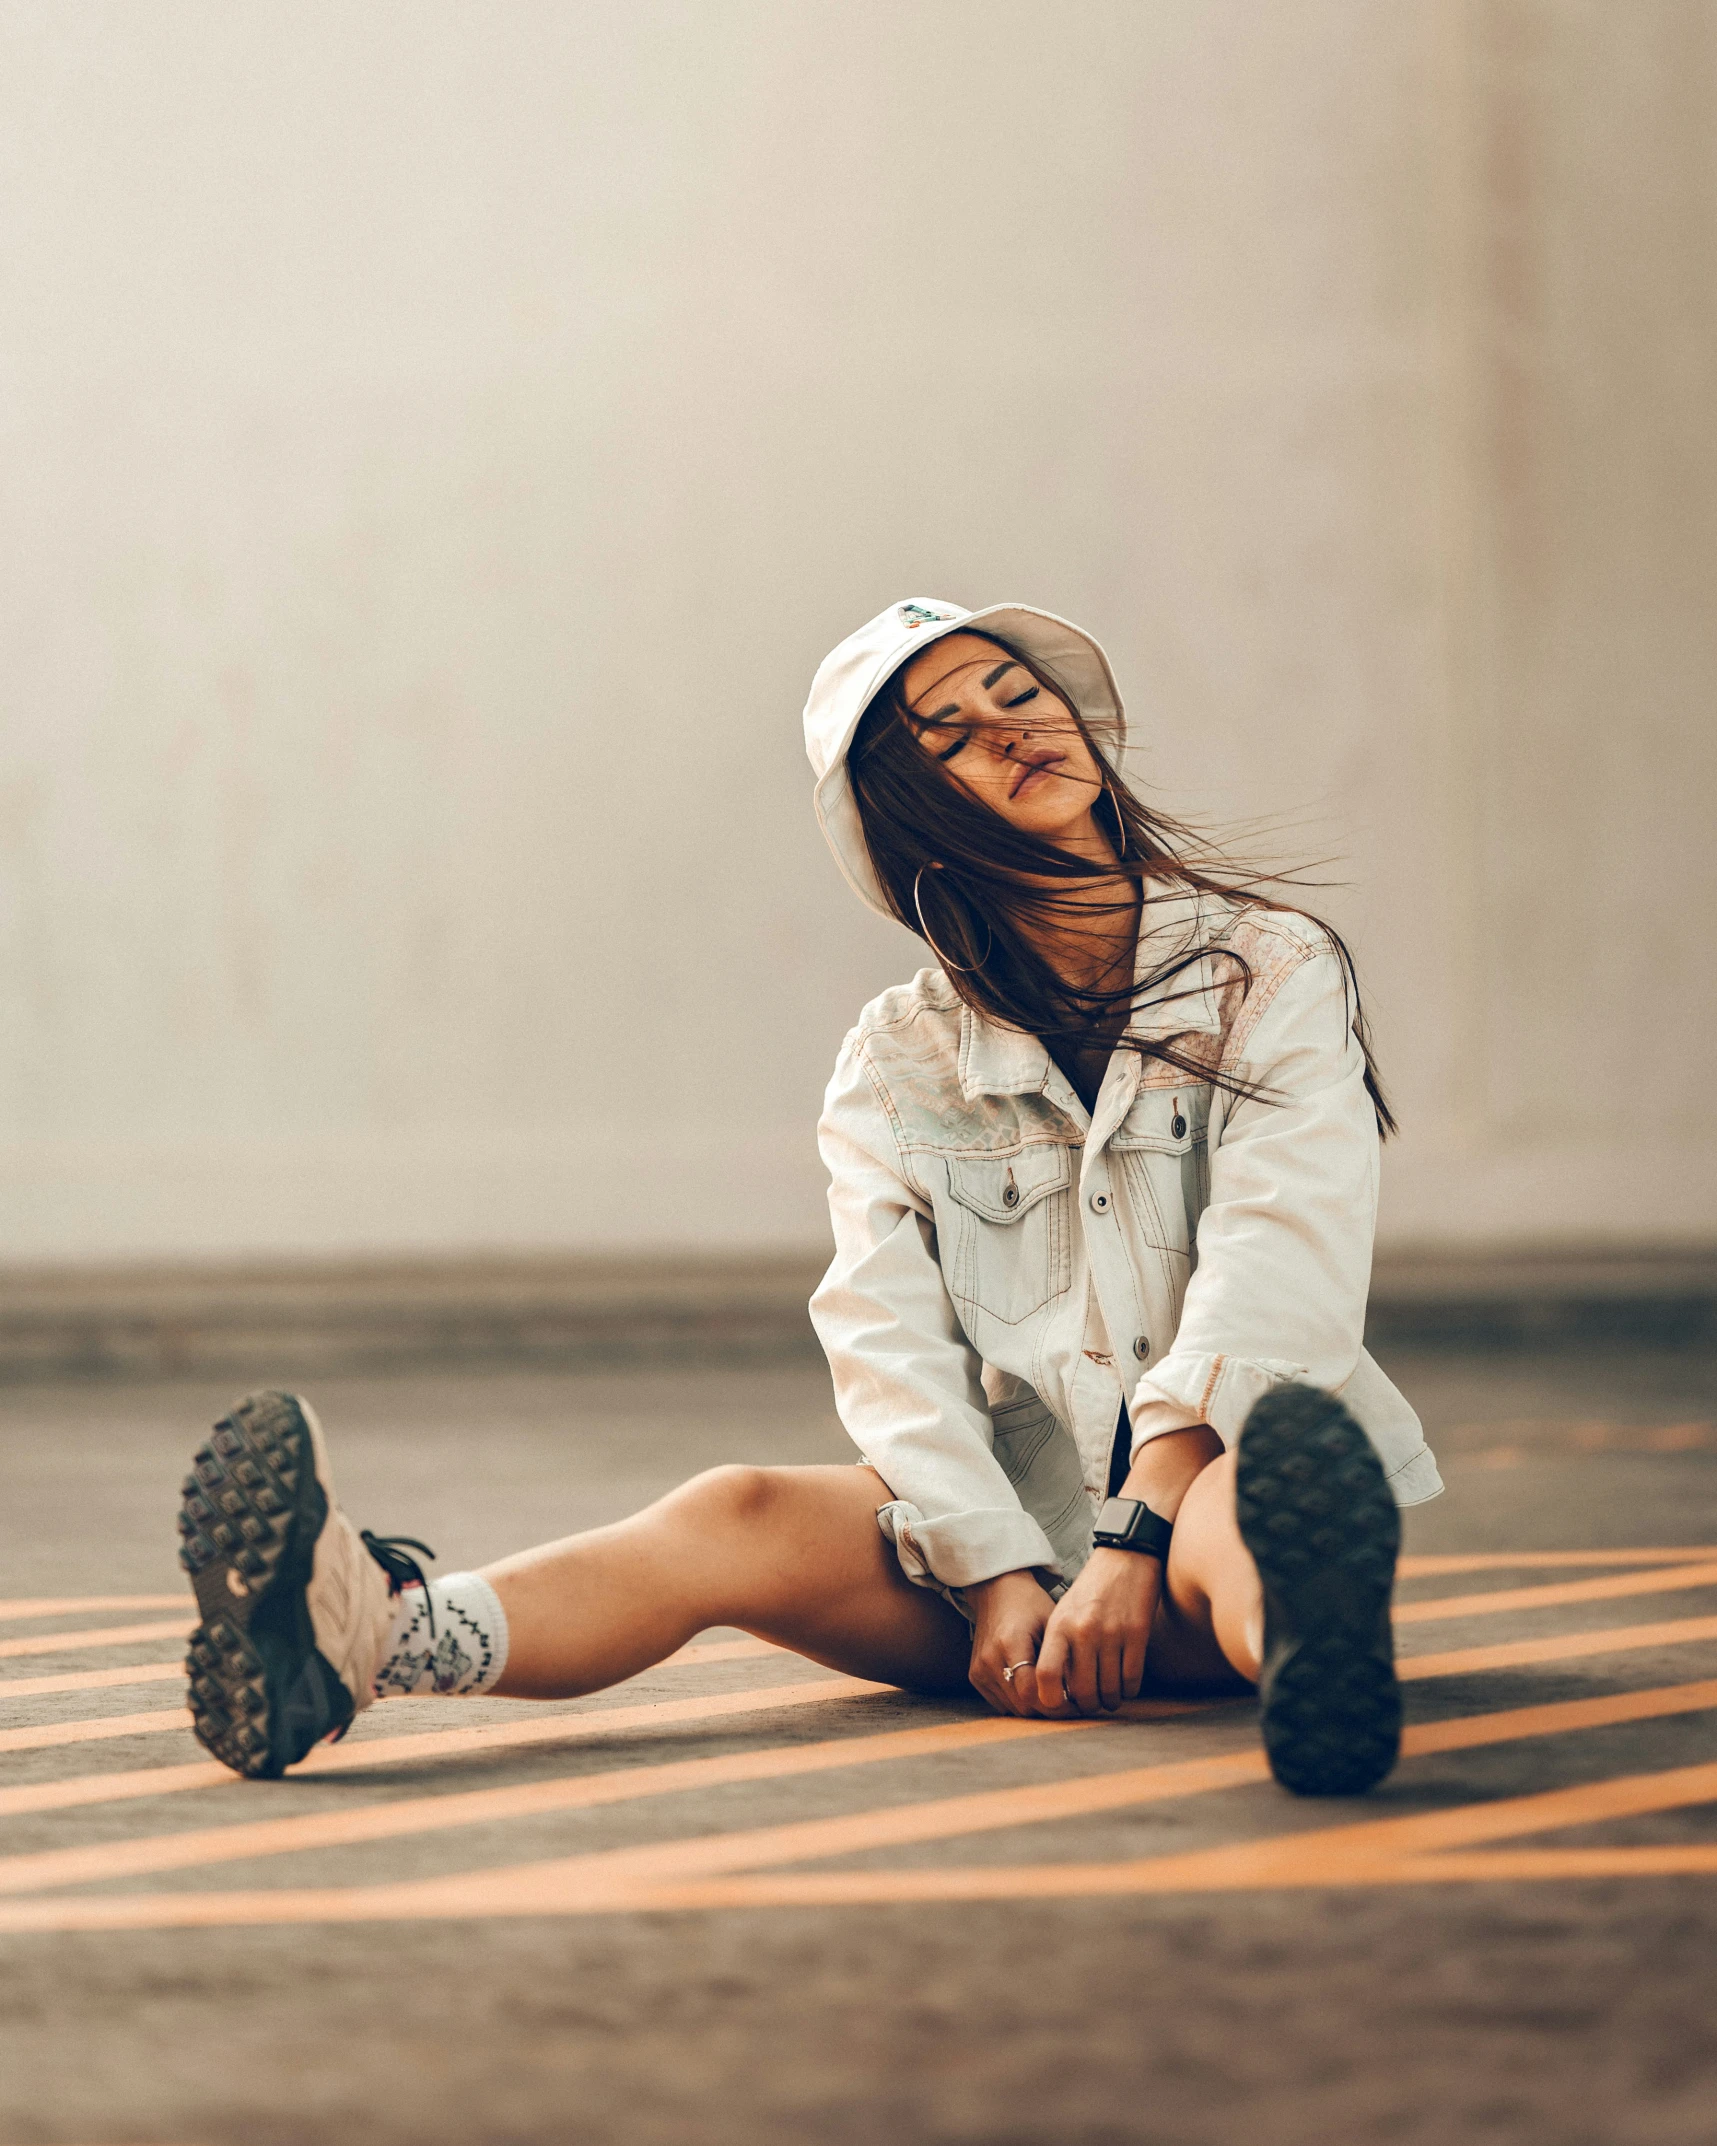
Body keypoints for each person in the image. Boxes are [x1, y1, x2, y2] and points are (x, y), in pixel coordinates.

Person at [177, 598, 1440, 1799]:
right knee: (736, 1509)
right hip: (1002, 1537)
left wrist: (1133, 1543)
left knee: (1246, 1490)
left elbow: (1281, 1259)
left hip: (1193, 1502)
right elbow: (885, 1341)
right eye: (951, 736)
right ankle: (356, 1649)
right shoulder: (895, 1064)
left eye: (1020, 694)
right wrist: (997, 1570)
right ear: (911, 820)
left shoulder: (1269, 971)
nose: (1012, 729)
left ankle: (1314, 1660)